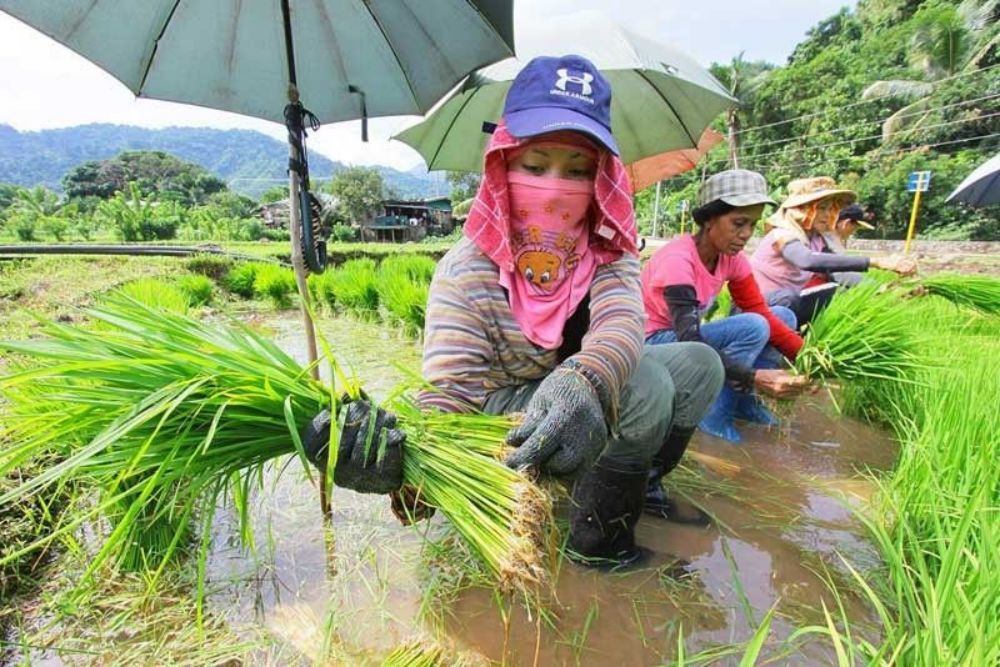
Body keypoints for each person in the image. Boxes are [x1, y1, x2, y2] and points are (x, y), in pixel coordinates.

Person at [302, 55, 724, 569]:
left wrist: (585, 379)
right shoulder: (468, 271)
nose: (554, 186)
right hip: (501, 408)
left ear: (601, 181)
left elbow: (622, 324)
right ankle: (599, 548)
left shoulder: (607, 246)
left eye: (578, 170)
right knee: (645, 387)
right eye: (535, 164)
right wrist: (405, 466)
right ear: (504, 163)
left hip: (571, 383)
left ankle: (635, 482)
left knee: (700, 364)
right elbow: (451, 392)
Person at [642, 170, 810, 445]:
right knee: (753, 327)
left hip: (684, 339)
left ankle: (744, 404)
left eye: (752, 225)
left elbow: (762, 311)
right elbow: (690, 340)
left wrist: (809, 358)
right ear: (709, 219)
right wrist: (754, 377)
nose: (746, 235)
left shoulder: (732, 259)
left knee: (782, 316)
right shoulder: (678, 259)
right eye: (738, 223)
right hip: (651, 345)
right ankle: (713, 414)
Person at [750, 177, 915, 327]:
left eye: (830, 209)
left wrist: (883, 289)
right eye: (821, 208)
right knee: (793, 299)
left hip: (784, 306)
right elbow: (807, 261)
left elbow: (839, 272)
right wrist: (877, 261)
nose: (827, 214)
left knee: (834, 292)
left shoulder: (816, 239)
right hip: (756, 306)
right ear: (801, 209)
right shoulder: (782, 234)